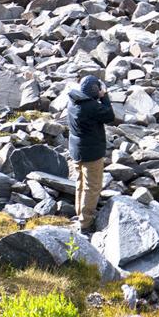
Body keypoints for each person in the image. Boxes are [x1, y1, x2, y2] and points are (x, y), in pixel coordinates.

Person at [67, 75, 116, 233]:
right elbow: (109, 116)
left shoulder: (73, 101)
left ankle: (80, 214)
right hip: (91, 153)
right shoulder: (91, 106)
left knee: (80, 183)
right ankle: (85, 223)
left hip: (76, 150)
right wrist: (105, 96)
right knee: (92, 186)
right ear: (94, 91)